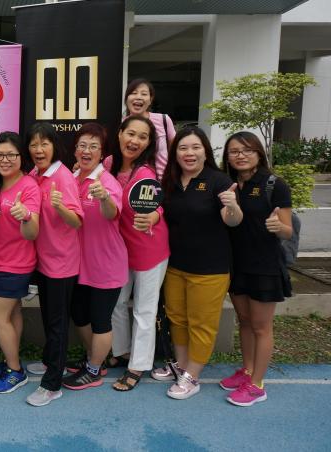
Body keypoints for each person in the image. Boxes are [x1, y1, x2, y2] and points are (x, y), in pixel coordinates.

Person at [155, 126, 242, 400]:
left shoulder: (218, 181)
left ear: (205, 151)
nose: (189, 153)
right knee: (178, 319)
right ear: (175, 153)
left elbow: (233, 220)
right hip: (175, 265)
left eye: (195, 147)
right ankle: (181, 366)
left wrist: (233, 206)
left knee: (201, 323)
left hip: (210, 268)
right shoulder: (170, 180)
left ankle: (193, 376)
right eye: (183, 148)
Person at [221, 131, 292, 406]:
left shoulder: (274, 184)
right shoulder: (230, 184)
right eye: (234, 151)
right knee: (245, 321)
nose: (240, 156)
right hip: (237, 264)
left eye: (246, 150)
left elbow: (287, 230)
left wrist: (279, 227)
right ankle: (247, 371)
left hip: (264, 266)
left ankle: (257, 385)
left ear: (258, 153)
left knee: (262, 326)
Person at [62, 123, 128, 391]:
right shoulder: (72, 177)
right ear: (75, 150)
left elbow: (112, 213)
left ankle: (93, 370)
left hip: (105, 264)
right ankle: (95, 359)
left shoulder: (106, 182)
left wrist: (103, 199)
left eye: (93, 146)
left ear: (103, 154)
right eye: (82, 145)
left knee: (100, 320)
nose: (86, 151)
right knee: (79, 314)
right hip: (79, 264)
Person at [107, 115, 170, 391]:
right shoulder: (108, 165)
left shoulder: (146, 172)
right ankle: (121, 351)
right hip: (119, 251)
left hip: (149, 249)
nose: (134, 141)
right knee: (117, 304)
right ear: (120, 133)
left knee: (144, 309)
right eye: (130, 133)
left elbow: (159, 203)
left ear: (148, 144)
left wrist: (155, 216)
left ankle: (138, 365)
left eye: (142, 137)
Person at [25, 123, 83, 406]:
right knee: (49, 317)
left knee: (58, 324)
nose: (38, 149)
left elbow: (77, 221)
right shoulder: (34, 175)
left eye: (44, 143)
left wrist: (61, 206)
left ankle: (52, 384)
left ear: (54, 146)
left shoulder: (62, 176)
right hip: (43, 262)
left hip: (62, 264)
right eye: (34, 144)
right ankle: (50, 361)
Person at [0, 131, 40, 394]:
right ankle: (10, 362)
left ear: (21, 157)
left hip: (15, 264)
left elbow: (33, 233)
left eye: (11, 154)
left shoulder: (28, 186)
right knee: (12, 313)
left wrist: (26, 216)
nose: (5, 160)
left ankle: (16, 371)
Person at [122, 78, 176, 179]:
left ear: (150, 100)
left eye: (144, 94)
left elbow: (175, 150)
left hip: (162, 182)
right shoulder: (122, 124)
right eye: (134, 93)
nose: (138, 97)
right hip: (132, 183)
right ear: (127, 98)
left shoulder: (163, 120)